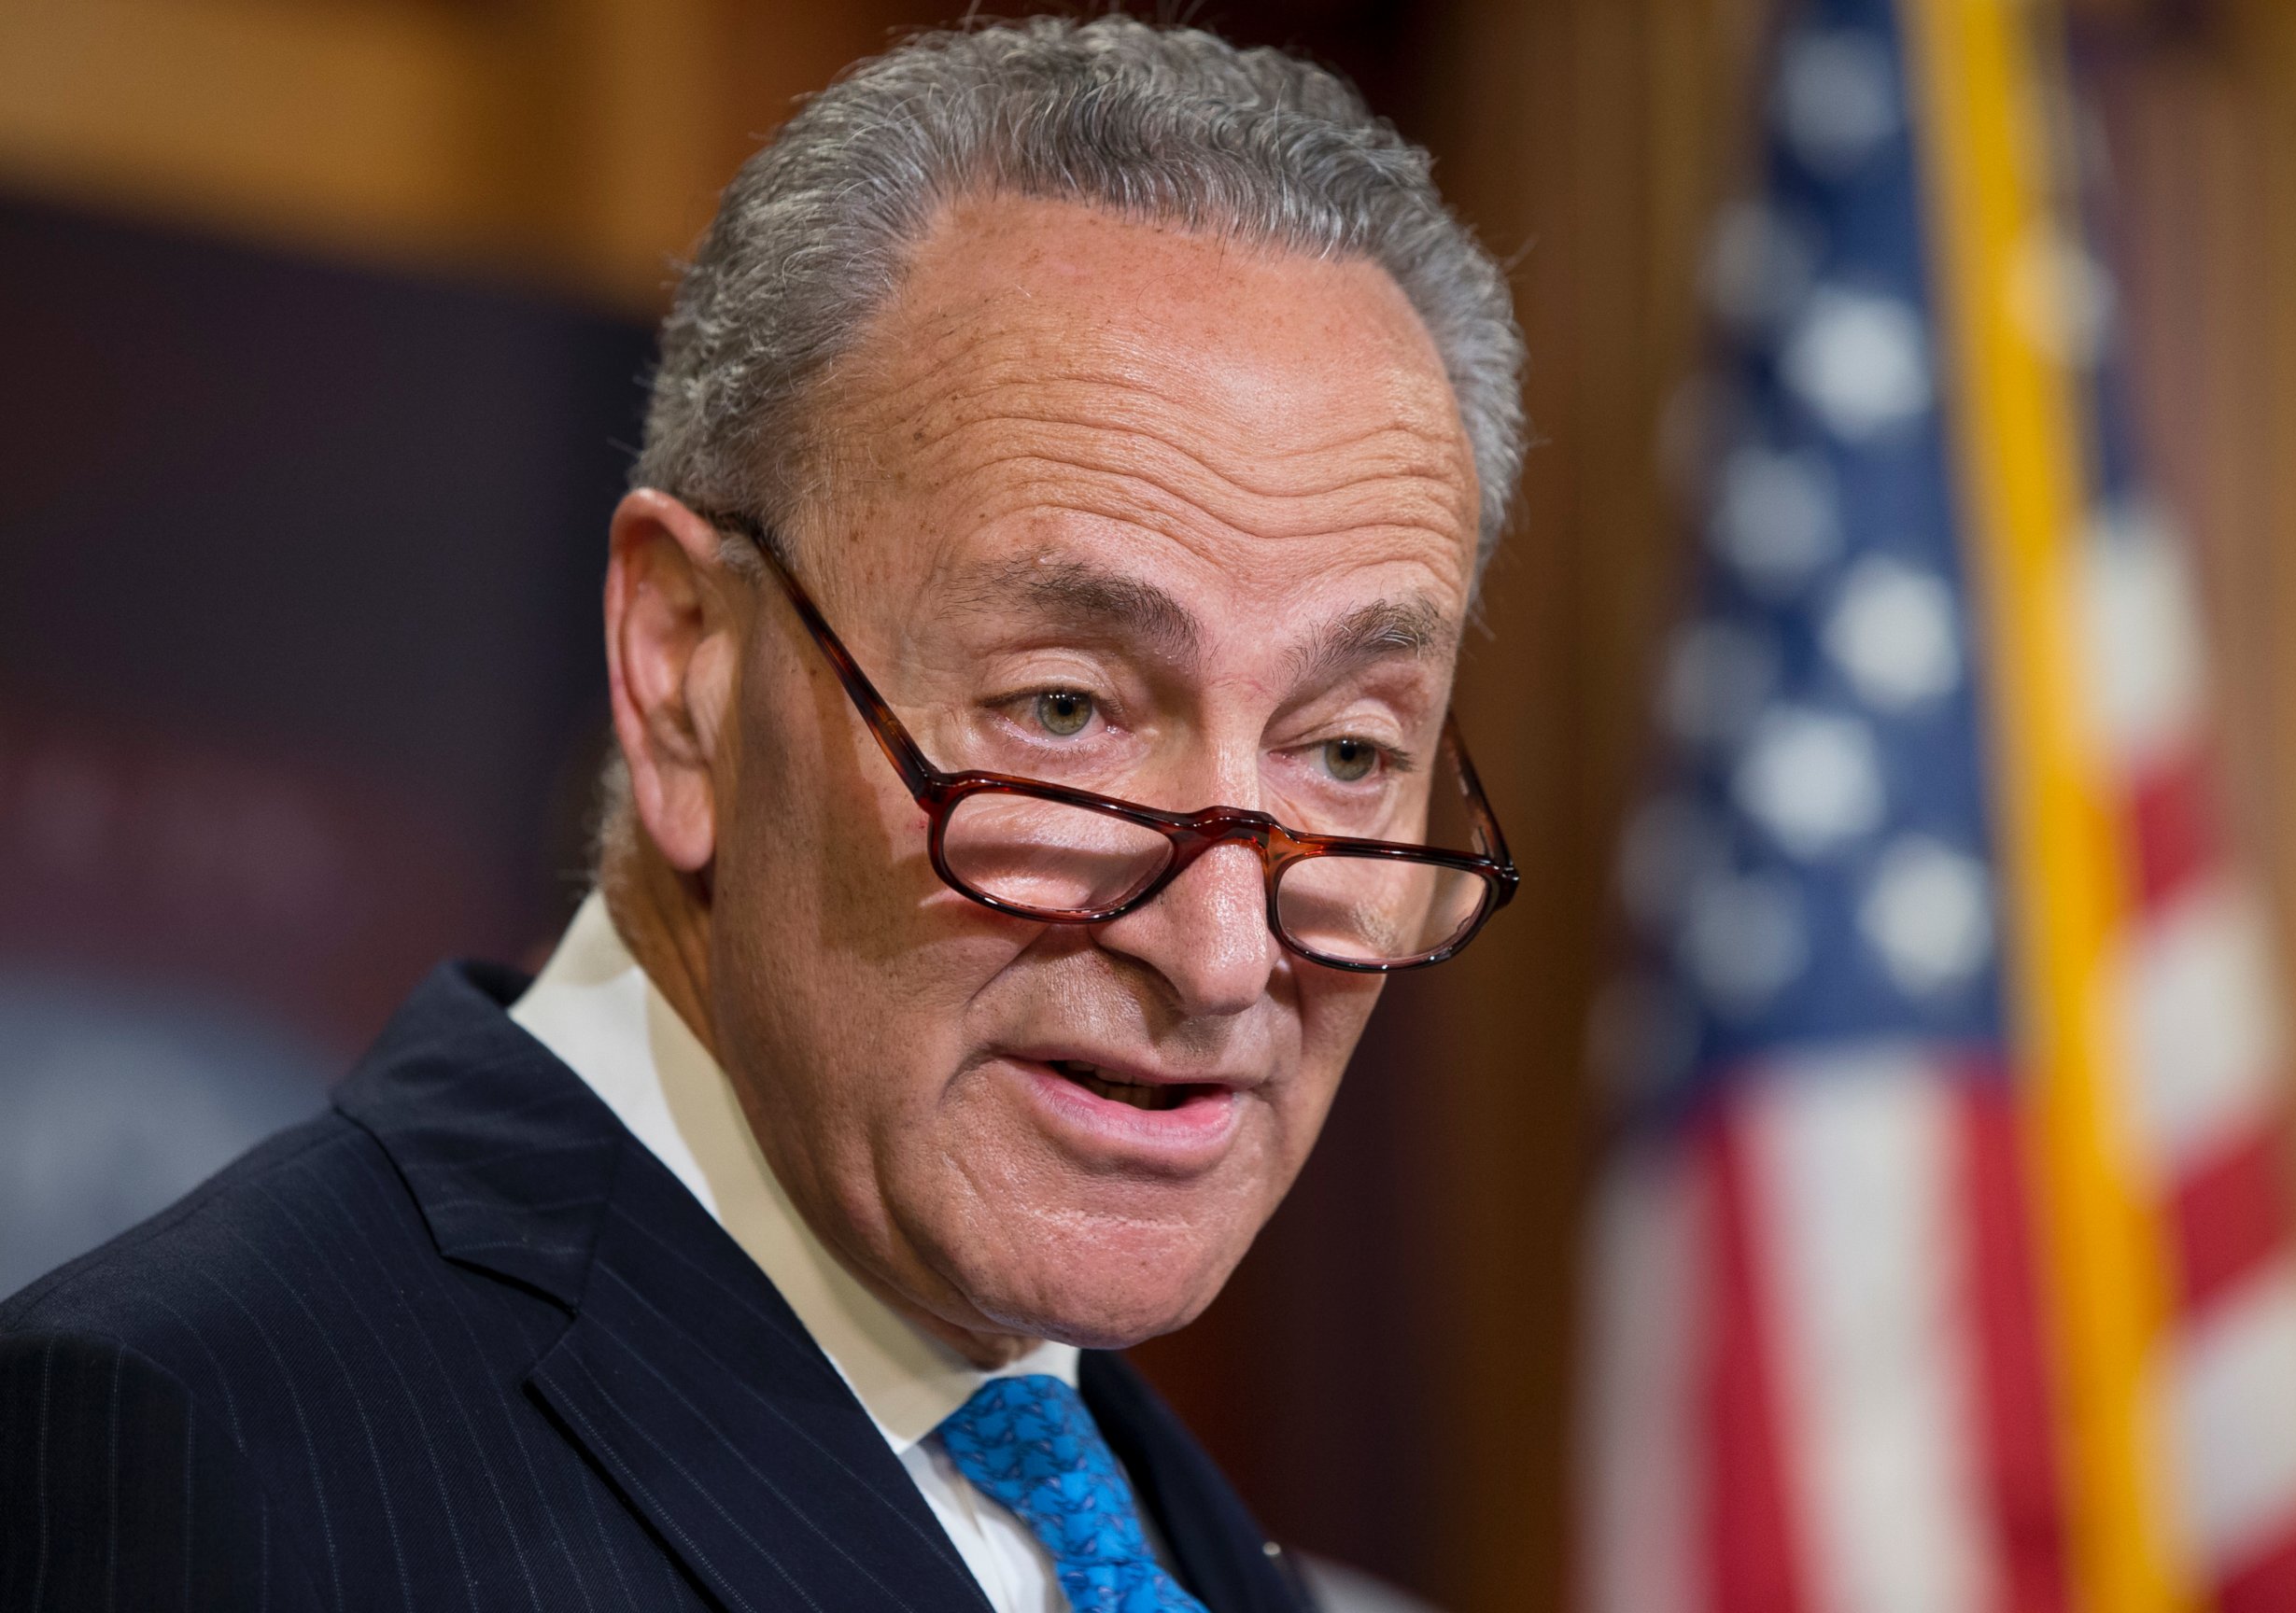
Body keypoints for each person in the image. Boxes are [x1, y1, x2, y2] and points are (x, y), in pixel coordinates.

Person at [0, 16, 1525, 1610]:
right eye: (1063, 710)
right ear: (685, 673)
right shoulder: (205, 1455)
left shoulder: (1175, 1541)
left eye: (1348, 754)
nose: (1220, 955)